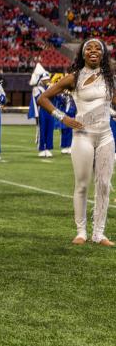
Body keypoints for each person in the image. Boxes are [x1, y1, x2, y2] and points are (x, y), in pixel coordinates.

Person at [38, 39, 116, 246]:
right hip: (83, 136)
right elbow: (43, 98)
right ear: (82, 53)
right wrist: (62, 117)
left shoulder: (110, 78)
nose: (93, 51)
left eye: (97, 48)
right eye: (88, 48)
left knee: (104, 185)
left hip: (106, 135)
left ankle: (99, 233)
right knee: (82, 185)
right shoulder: (74, 78)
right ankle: (81, 231)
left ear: (103, 53)